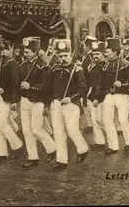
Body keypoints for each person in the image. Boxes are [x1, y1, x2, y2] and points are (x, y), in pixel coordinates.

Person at [48, 39, 89, 169]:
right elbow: (49, 88)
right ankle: (61, 160)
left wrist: (71, 98)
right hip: (56, 104)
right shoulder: (54, 69)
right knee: (59, 132)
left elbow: (83, 89)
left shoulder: (77, 70)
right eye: (61, 56)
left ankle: (83, 149)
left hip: (72, 104)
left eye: (66, 55)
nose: (63, 58)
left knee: (72, 130)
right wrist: (50, 102)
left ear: (71, 56)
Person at [19, 37, 56, 168]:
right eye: (25, 51)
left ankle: (52, 149)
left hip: (38, 101)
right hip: (24, 101)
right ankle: (32, 157)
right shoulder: (23, 66)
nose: (25, 53)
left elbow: (46, 86)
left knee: (36, 129)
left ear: (35, 52)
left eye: (28, 51)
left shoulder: (43, 67)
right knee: (27, 131)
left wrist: (31, 87)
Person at [0, 35, 23, 162]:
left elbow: (15, 83)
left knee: (2, 122)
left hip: (4, 97)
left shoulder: (11, 63)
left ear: (0, 50)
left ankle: (17, 146)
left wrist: (6, 92)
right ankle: (1, 153)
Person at [98, 37, 129, 154]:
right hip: (109, 95)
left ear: (115, 52)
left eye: (108, 52)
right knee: (106, 120)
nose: (106, 54)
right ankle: (113, 146)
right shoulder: (105, 65)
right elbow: (102, 82)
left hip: (123, 95)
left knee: (122, 120)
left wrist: (122, 84)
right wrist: (98, 96)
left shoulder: (126, 64)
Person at [85, 40, 108, 148]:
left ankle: (110, 141)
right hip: (92, 96)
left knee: (102, 120)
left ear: (103, 54)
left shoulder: (106, 67)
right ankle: (100, 142)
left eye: (98, 54)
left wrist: (98, 98)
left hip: (102, 96)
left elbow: (102, 84)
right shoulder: (92, 66)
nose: (95, 56)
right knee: (95, 121)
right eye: (94, 54)